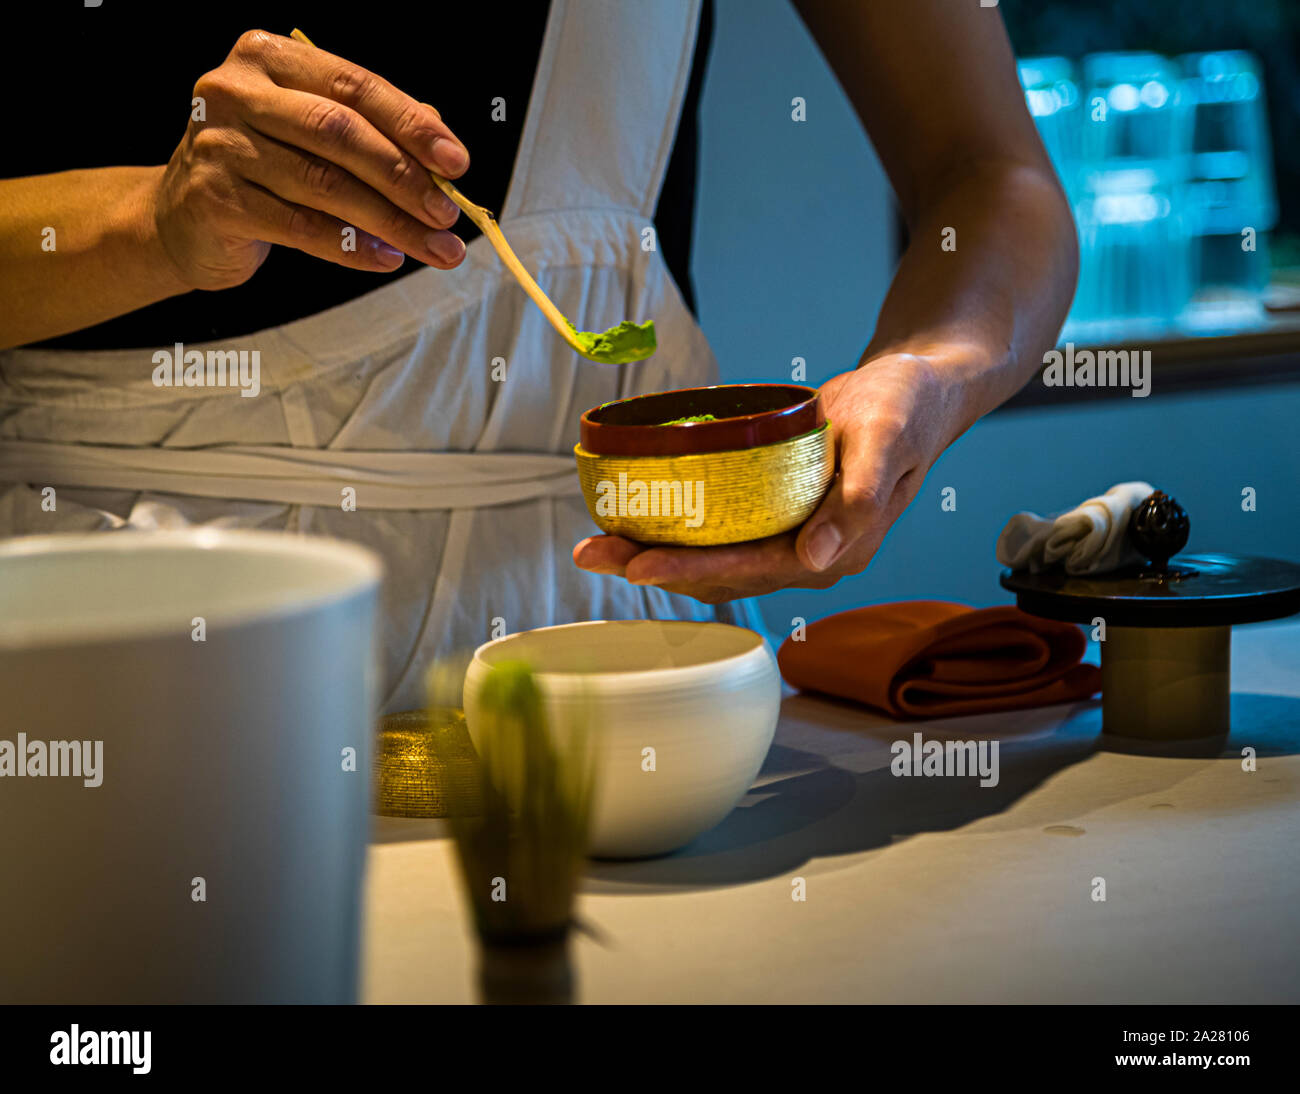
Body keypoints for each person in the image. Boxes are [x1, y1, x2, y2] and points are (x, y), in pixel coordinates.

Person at [0, 0, 1076, 713]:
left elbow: (994, 178)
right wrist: (153, 220)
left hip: (620, 649)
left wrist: (926, 374)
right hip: (124, 636)